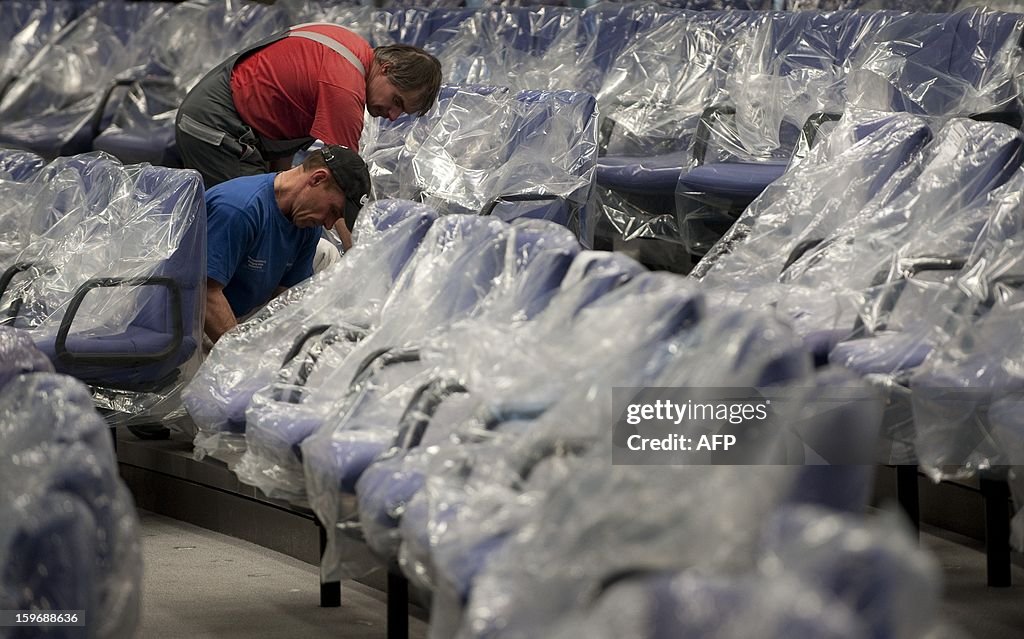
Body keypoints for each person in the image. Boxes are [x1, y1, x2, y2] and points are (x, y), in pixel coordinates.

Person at [175, 23, 441, 246]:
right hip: (216, 126)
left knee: (279, 224)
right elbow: (342, 188)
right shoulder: (344, 89)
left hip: (223, 116)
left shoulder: (352, 46)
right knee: (259, 234)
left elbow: (283, 113)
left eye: (402, 112)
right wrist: (358, 258)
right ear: (386, 69)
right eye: (397, 101)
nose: (393, 115)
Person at [203, 144, 370, 345]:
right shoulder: (239, 210)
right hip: (196, 318)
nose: (328, 223)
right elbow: (206, 295)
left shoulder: (306, 224)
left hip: (243, 308)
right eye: (333, 210)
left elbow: (285, 300)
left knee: (326, 251)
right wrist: (243, 356)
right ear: (317, 179)